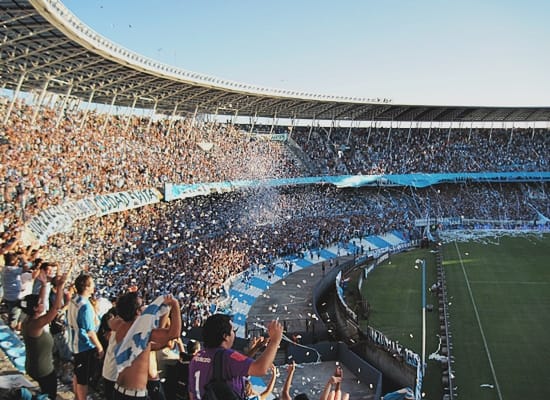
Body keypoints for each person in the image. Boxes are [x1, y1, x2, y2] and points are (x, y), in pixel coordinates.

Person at [188, 314, 283, 400]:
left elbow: (191, 393)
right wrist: (275, 340)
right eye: (233, 331)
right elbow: (260, 369)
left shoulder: (197, 357)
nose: (234, 334)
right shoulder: (228, 356)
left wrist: (256, 348)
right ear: (225, 336)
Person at [112, 291, 182, 400]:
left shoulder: (120, 328)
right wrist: (175, 305)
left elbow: (142, 350)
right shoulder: (143, 333)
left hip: (118, 389)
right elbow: (174, 334)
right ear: (138, 311)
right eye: (142, 305)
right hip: (134, 394)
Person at [20, 270, 69, 399]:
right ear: (36, 308)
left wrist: (43, 285)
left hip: (34, 366)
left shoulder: (29, 320)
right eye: (40, 303)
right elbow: (55, 308)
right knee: (49, 395)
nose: (42, 303)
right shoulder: (36, 325)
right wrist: (60, 287)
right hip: (43, 370)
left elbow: (39, 301)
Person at [67, 273, 104, 400]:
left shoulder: (74, 299)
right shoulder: (85, 306)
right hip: (84, 346)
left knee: (77, 373)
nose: (94, 287)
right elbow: (90, 332)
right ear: (86, 287)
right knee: (83, 379)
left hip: (74, 343)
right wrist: (100, 348)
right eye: (92, 284)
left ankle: (77, 397)